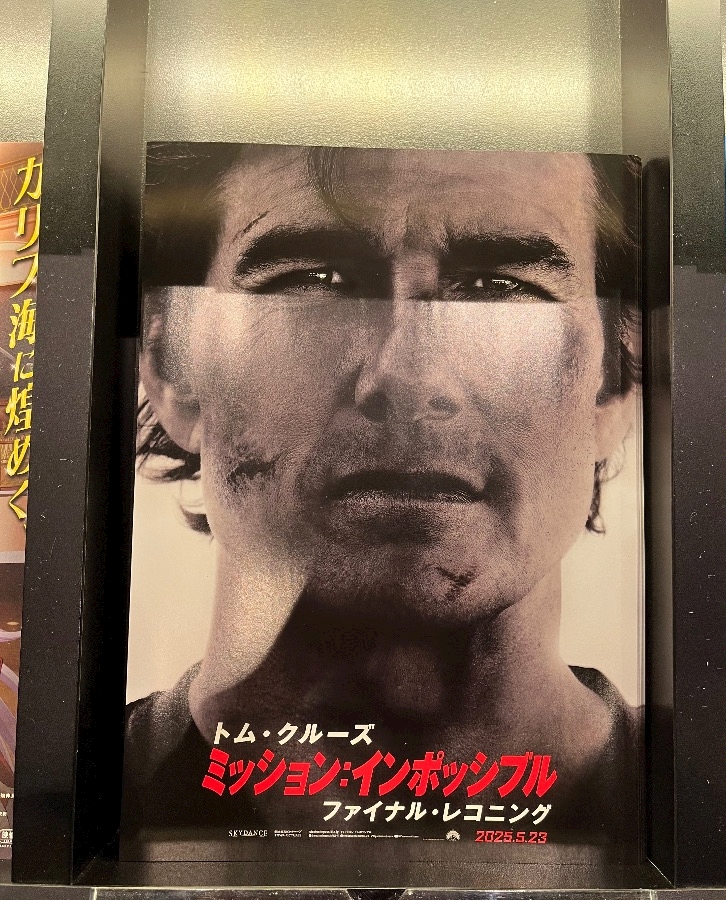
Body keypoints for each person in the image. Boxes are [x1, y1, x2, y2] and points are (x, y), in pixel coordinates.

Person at [122, 145, 642, 857]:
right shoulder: (58, 796)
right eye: (313, 281)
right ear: (172, 367)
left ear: (613, 384)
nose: (407, 378)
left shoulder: (710, 805)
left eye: (499, 288)